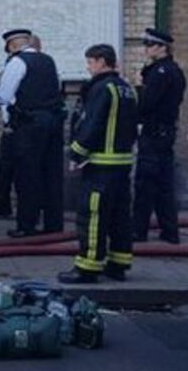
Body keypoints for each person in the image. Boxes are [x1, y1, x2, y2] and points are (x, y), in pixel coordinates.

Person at [59, 44, 138, 284]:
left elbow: (92, 124)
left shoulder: (102, 89)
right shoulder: (127, 89)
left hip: (101, 165)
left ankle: (88, 267)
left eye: (91, 62)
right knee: (120, 217)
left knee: (92, 216)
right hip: (122, 164)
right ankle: (118, 264)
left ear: (102, 62)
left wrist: (76, 153)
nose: (88, 67)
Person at [0, 28, 65, 238]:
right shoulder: (48, 60)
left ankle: (26, 225)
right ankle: (54, 223)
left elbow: (4, 96)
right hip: (53, 123)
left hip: (29, 126)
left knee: (27, 176)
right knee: (52, 174)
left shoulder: (17, 62)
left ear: (12, 46)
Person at [134, 27, 187, 245]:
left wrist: (139, 87)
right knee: (164, 184)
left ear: (161, 48)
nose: (145, 50)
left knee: (146, 184)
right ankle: (169, 230)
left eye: (149, 45)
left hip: (153, 133)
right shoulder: (174, 70)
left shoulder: (160, 73)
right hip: (166, 132)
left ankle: (138, 230)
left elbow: (147, 104)